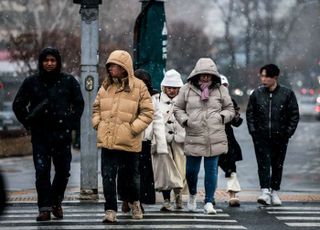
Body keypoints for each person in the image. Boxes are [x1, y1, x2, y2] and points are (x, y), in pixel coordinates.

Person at [12, 47, 84, 221]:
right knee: (42, 172)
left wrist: (70, 122)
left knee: (63, 171)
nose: (49, 63)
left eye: (53, 60)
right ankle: (44, 208)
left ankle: (55, 202)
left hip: (62, 135)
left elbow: (79, 104)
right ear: (41, 62)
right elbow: (18, 105)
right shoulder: (31, 82)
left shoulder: (68, 81)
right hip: (40, 136)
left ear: (58, 62)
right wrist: (28, 122)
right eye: (46, 60)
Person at [92, 50, 154, 223]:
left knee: (131, 177)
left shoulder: (139, 86)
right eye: (109, 65)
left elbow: (148, 112)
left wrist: (132, 129)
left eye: (114, 65)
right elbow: (96, 108)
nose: (110, 68)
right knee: (108, 176)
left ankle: (135, 202)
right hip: (108, 140)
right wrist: (99, 124)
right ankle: (110, 210)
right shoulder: (106, 86)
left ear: (124, 67)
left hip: (129, 141)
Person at [174, 58, 235, 214]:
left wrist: (222, 117)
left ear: (213, 75)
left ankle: (209, 201)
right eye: (203, 74)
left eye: (208, 74)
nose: (205, 77)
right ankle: (193, 194)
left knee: (211, 171)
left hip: (214, 136)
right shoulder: (186, 89)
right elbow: (178, 109)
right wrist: (185, 120)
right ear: (197, 74)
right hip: (194, 134)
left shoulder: (221, 89)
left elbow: (230, 109)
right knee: (191, 171)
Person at [246, 64, 299, 206]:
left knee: (277, 164)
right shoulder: (256, 94)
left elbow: (294, 114)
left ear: (275, 77)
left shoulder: (287, 94)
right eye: (262, 76)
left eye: (266, 76)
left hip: (280, 137)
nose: (263, 79)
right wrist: (254, 132)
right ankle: (265, 191)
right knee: (263, 164)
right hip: (261, 136)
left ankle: (274, 191)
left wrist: (287, 133)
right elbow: (250, 114)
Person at [117, 69, 168, 213]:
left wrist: (161, 144)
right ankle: (126, 199)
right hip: (127, 140)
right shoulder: (126, 95)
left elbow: (157, 119)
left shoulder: (153, 97)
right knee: (127, 172)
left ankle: (138, 201)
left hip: (145, 141)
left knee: (143, 175)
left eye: (145, 83)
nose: (142, 86)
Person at [157, 69, 186, 211]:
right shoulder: (156, 100)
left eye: (175, 88)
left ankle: (178, 197)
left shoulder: (184, 102)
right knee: (166, 172)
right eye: (169, 87)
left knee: (180, 171)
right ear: (164, 87)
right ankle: (166, 200)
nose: (172, 90)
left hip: (180, 141)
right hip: (163, 141)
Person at [219, 75, 243, 207]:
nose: (223, 89)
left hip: (228, 139)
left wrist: (235, 114)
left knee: (231, 168)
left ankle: (233, 195)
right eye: (221, 86)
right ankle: (210, 196)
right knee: (211, 168)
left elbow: (236, 123)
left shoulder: (231, 101)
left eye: (225, 86)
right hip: (212, 139)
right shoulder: (207, 100)